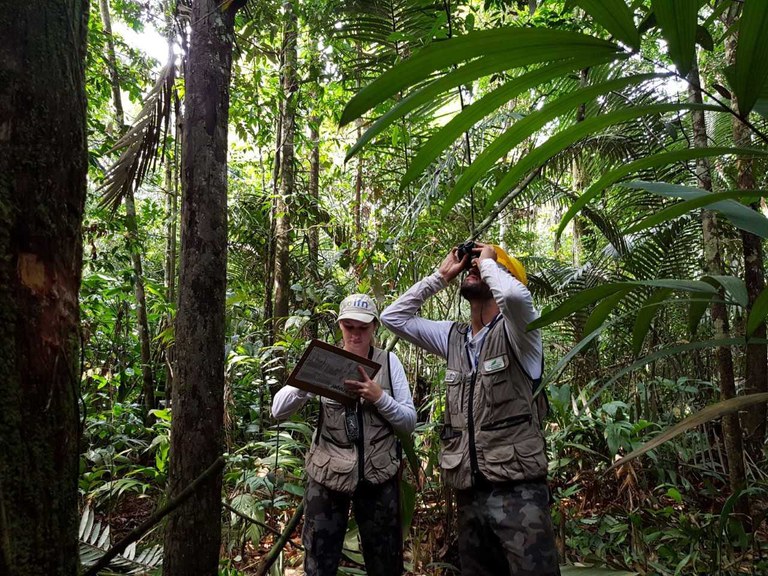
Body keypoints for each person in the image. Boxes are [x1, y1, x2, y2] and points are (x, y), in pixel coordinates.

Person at [380, 242, 560, 576]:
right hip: (469, 491)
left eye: (483, 266)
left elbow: (517, 299)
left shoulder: (521, 334)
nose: (474, 267)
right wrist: (440, 276)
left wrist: (490, 261)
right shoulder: (453, 337)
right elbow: (393, 317)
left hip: (518, 490)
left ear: (503, 278)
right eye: (472, 265)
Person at [272, 293, 416, 576]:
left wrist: (380, 398)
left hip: (379, 474)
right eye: (349, 326)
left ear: (374, 326)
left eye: (363, 327)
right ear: (340, 326)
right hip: (328, 474)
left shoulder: (390, 362)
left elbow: (409, 422)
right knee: (319, 560)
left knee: (385, 561)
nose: (355, 334)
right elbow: (278, 410)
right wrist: (309, 381)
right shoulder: (323, 358)